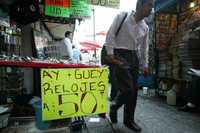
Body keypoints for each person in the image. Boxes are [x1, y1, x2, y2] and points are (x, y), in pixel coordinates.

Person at [104, 0, 153, 132]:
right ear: (140, 5)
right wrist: (110, 54)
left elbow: (144, 48)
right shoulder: (122, 17)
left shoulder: (145, 27)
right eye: (149, 5)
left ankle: (129, 120)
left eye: (152, 6)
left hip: (134, 57)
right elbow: (110, 34)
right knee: (128, 89)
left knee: (134, 91)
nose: (151, 9)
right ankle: (114, 106)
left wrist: (145, 65)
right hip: (119, 54)